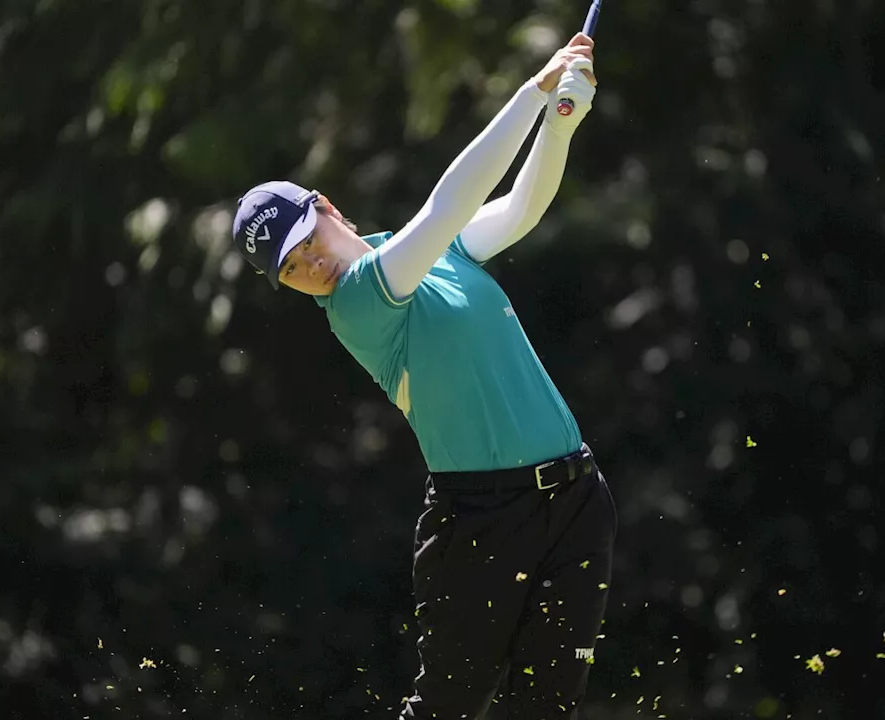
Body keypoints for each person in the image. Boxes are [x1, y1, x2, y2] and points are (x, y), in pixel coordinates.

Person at [231, 32, 616, 720]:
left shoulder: (426, 255)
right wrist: (533, 92)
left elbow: (520, 210)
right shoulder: (355, 304)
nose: (308, 266)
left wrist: (561, 123)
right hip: (481, 520)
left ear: (326, 206)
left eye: (305, 242)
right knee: (446, 706)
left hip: (578, 499)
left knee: (547, 707)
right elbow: (448, 208)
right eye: (289, 269)